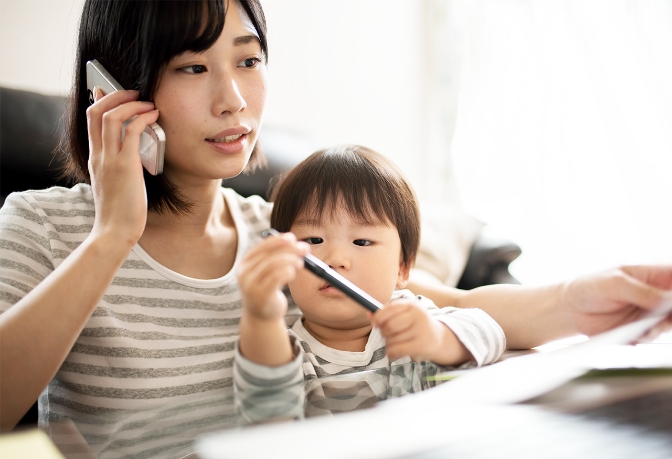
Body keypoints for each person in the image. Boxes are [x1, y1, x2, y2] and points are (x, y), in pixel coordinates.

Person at [1, 0, 671, 433]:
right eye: (193, 67)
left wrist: (582, 296)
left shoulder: (283, 235)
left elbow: (450, 302)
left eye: (248, 60)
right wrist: (113, 234)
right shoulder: (42, 227)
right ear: (115, 91)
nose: (235, 99)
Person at [235, 145, 505, 387]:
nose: (336, 259)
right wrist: (262, 317)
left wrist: (439, 339)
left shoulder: (411, 318)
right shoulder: (281, 347)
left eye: (362, 241)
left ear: (403, 268)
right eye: (314, 240)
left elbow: (490, 332)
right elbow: (268, 417)